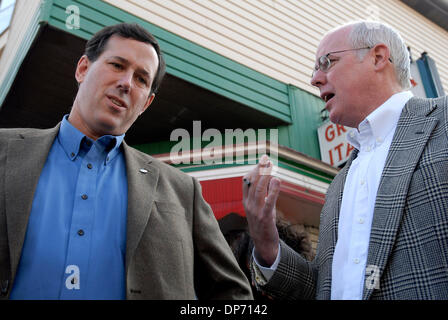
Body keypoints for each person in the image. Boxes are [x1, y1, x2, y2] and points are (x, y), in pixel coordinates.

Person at [0, 23, 252, 300]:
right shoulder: (5, 150)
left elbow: (234, 295)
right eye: (117, 65)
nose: (126, 83)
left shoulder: (182, 191)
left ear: (146, 103)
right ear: (83, 68)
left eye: (141, 79)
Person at [243, 20, 448, 300]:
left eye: (327, 62)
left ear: (377, 57)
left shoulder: (443, 123)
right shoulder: (341, 181)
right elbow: (326, 288)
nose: (315, 79)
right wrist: (268, 247)